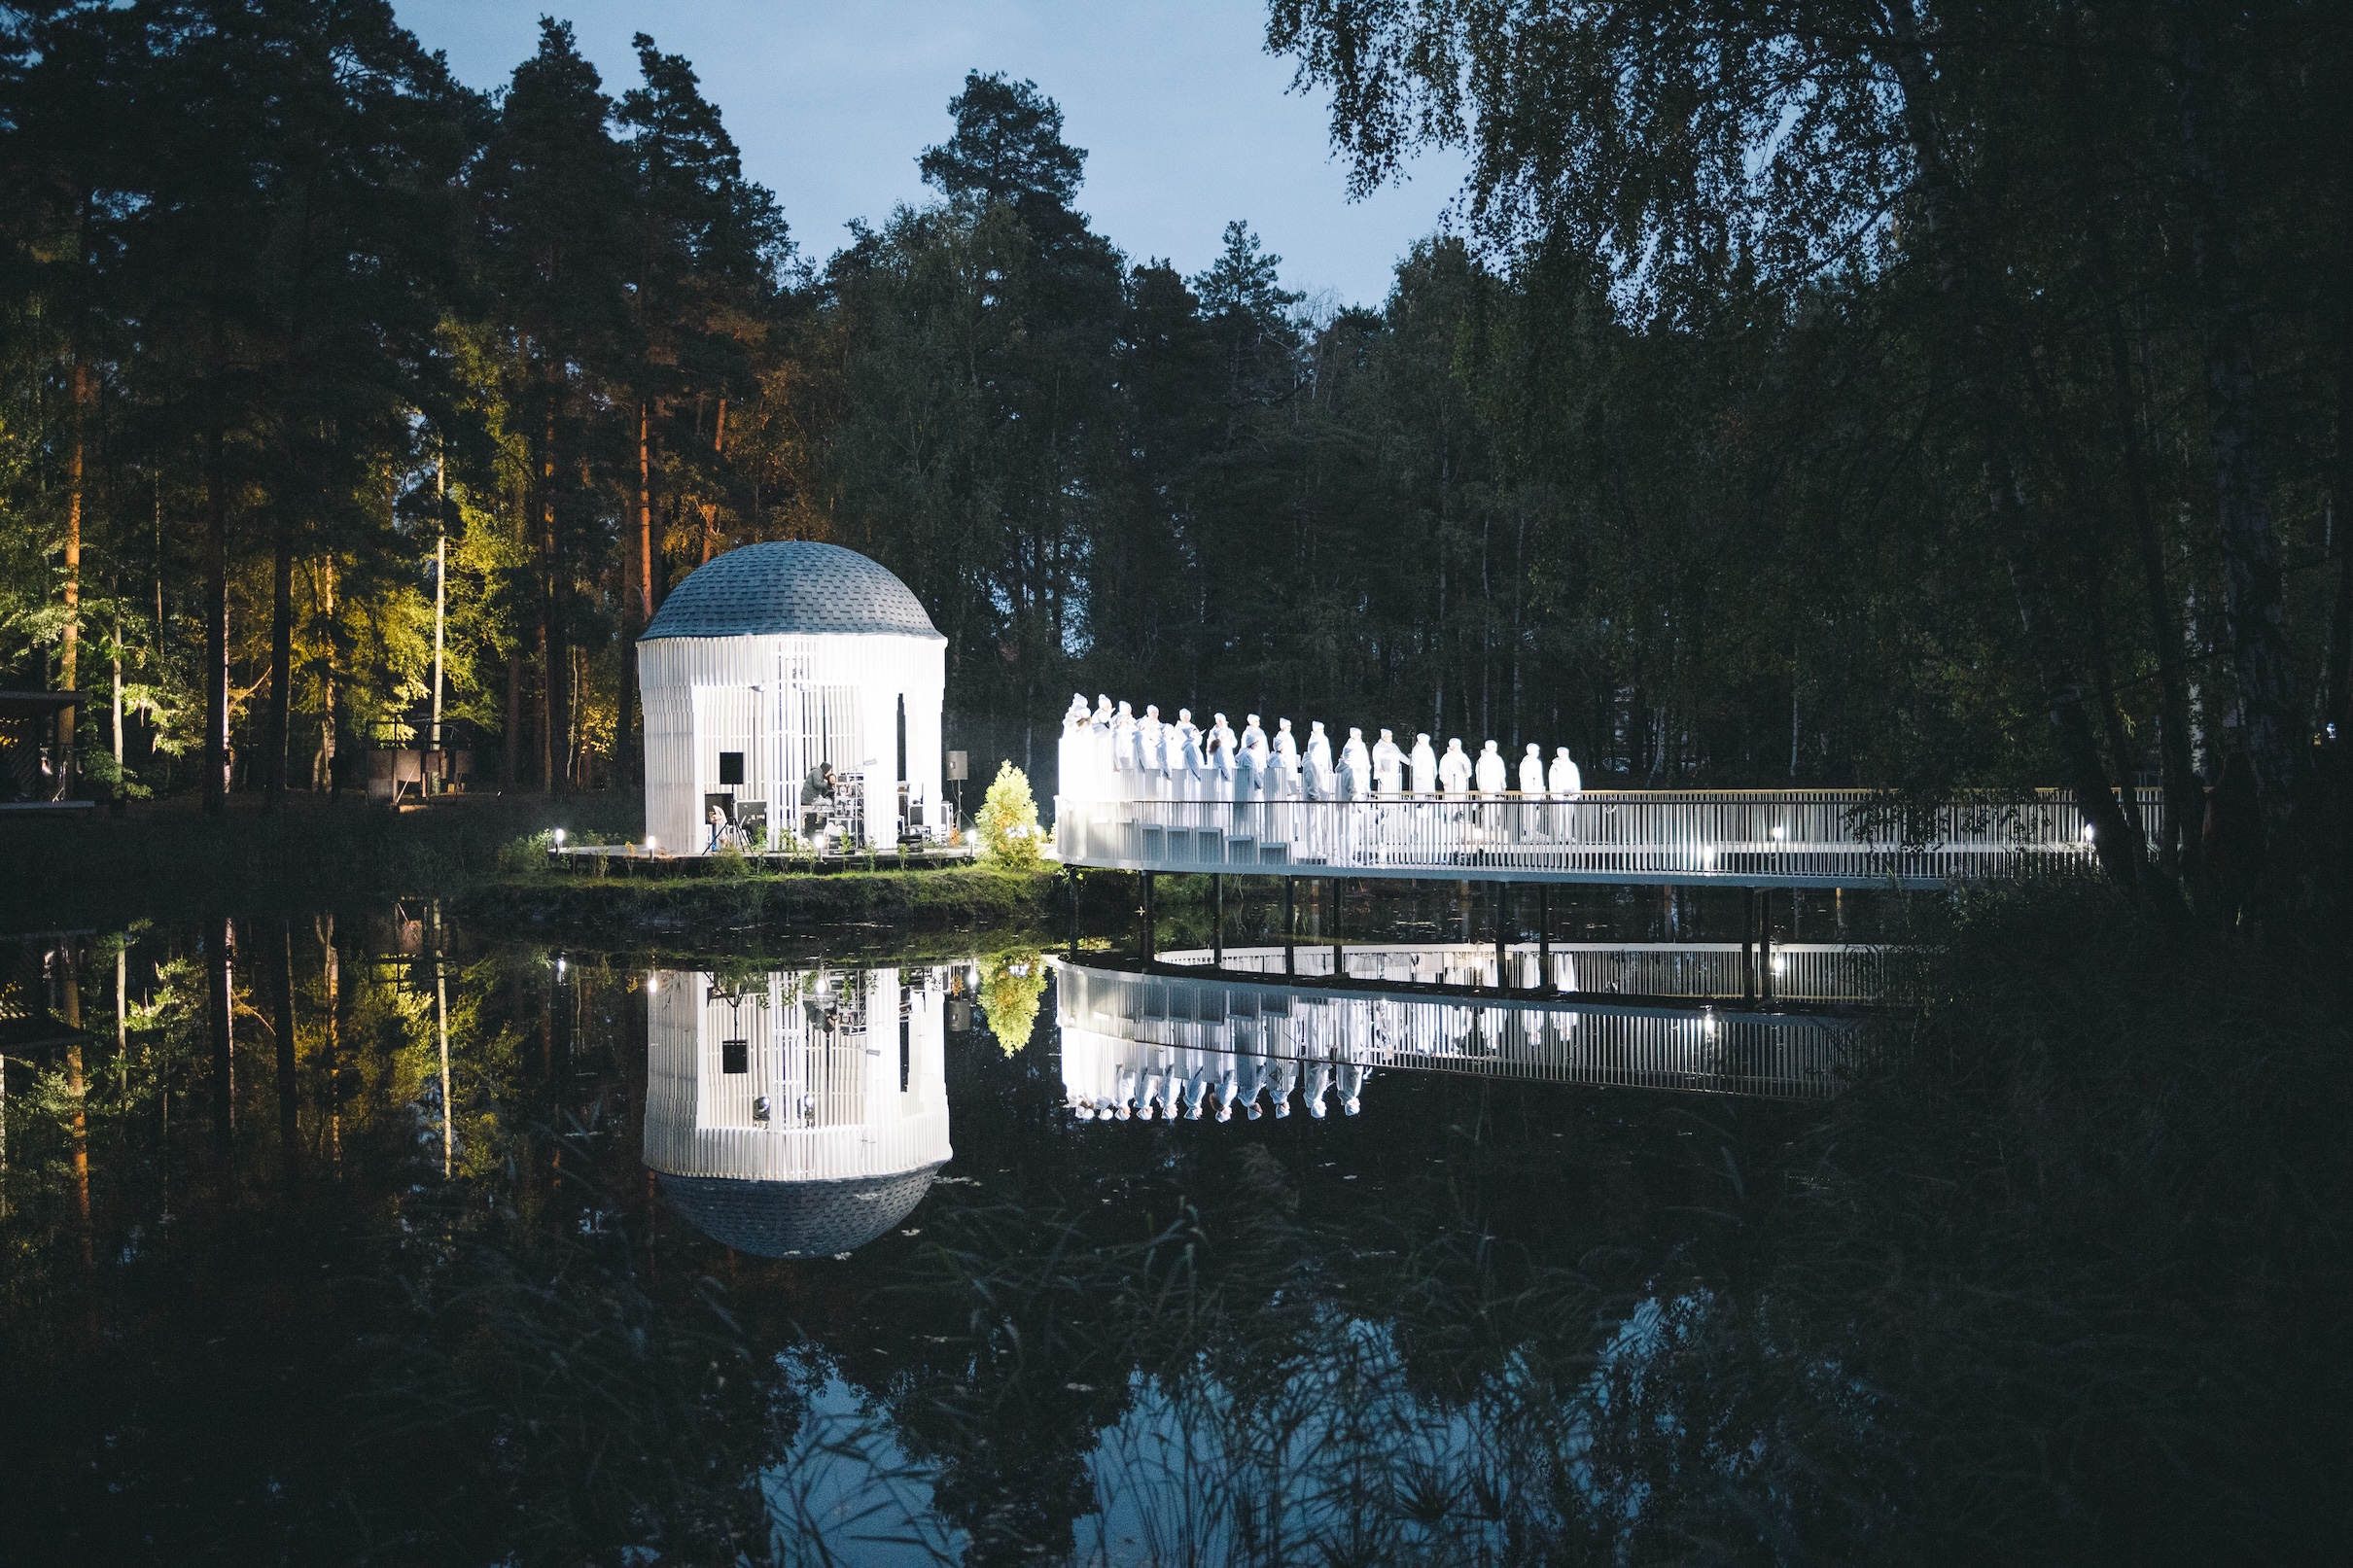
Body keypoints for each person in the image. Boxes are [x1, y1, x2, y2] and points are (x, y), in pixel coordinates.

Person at [1372, 728, 1405, 793]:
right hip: (1385, 771)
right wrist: (1379, 767)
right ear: (1384, 737)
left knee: (1395, 788)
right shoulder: (1378, 746)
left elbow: (1400, 756)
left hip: (1395, 770)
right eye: (1389, 736)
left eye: (1391, 736)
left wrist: (1410, 763)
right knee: (1386, 788)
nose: (1391, 737)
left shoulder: (1394, 746)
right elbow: (1375, 757)